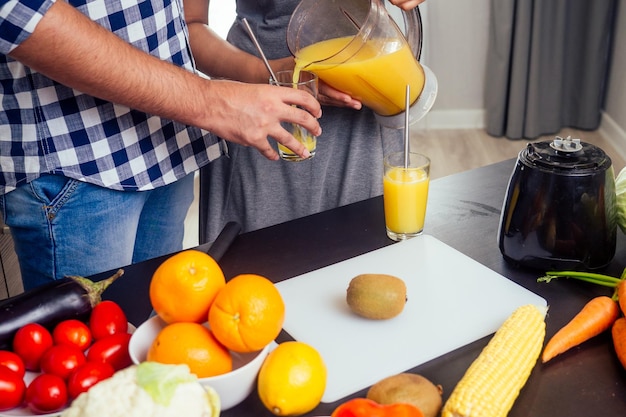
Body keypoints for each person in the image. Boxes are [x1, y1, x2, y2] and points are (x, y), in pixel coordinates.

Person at [0, 0, 321, 290]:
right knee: (91, 347)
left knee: (153, 331)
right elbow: (17, 13)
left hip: (167, 143)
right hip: (80, 162)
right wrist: (213, 102)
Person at [189, 0, 426, 244]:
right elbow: (188, 26)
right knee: (260, 266)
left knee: (369, 260)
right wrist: (268, 73)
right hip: (259, 107)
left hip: (366, 95)